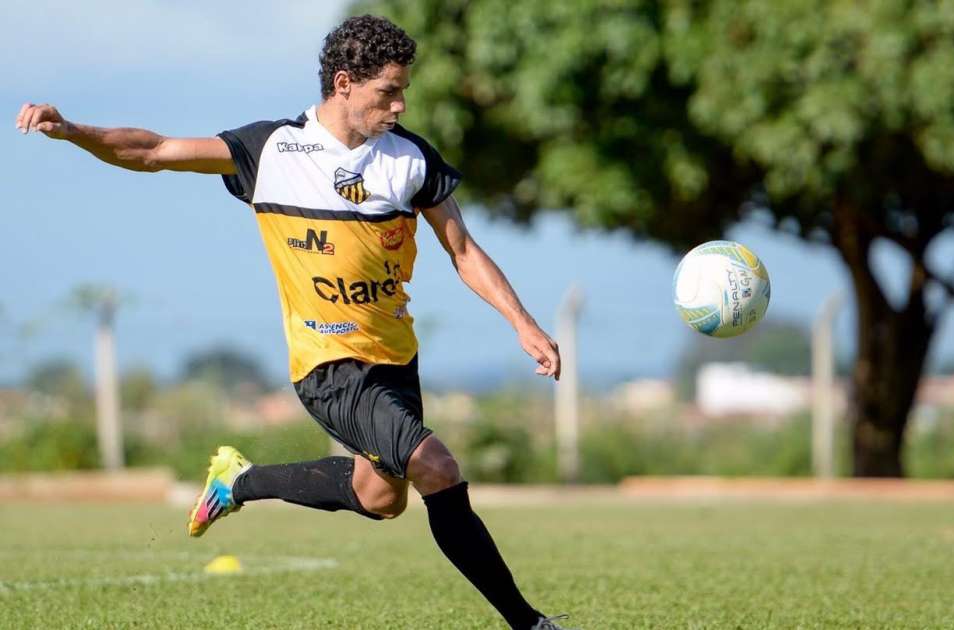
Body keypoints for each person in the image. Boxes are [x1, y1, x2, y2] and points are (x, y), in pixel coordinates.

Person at [15, 15, 572, 630]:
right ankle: (530, 623)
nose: (400, 103)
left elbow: (462, 250)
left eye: (403, 90)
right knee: (437, 468)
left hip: (394, 358)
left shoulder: (409, 159)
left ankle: (240, 482)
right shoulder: (273, 149)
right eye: (388, 91)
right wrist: (72, 131)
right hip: (326, 365)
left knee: (381, 498)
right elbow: (153, 151)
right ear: (343, 84)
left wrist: (522, 323)